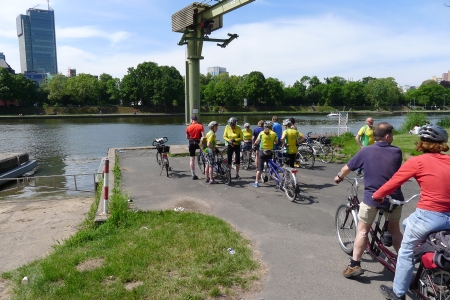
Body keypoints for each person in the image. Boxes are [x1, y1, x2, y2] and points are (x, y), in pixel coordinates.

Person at [374, 124, 450, 300]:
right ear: (442, 143)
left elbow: (394, 182)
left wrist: (378, 196)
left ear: (422, 143)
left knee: (406, 250)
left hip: (429, 215)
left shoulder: (417, 161)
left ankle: (398, 293)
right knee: (407, 223)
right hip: (448, 216)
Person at [334, 122, 404, 279]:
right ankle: (404, 262)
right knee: (395, 231)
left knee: (363, 230)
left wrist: (339, 177)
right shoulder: (397, 151)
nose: (392, 137)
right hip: (394, 199)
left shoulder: (366, 151)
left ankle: (354, 265)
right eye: (392, 135)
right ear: (387, 136)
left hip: (372, 198)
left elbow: (347, 168)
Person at [253, 121, 277, 187]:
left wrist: (254, 144)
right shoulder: (274, 133)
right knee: (273, 166)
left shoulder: (261, 133)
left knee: (260, 168)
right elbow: (276, 142)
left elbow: (257, 141)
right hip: (270, 151)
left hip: (262, 151)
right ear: (271, 127)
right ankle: (276, 180)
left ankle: (256, 182)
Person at [186, 115, 204, 180]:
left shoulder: (188, 127)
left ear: (191, 120)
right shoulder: (200, 126)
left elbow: (187, 137)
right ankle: (205, 167)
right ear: (197, 120)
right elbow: (203, 136)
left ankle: (193, 174)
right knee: (204, 154)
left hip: (191, 143)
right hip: (199, 143)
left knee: (192, 159)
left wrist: (191, 138)